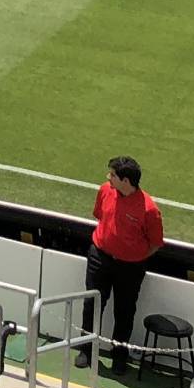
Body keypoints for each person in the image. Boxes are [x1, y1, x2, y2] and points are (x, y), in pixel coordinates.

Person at [80, 156, 164, 370]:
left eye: (113, 175)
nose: (109, 178)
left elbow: (155, 242)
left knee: (125, 311)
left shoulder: (149, 209)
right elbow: (100, 216)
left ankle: (119, 357)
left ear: (126, 181)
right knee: (92, 304)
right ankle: (86, 350)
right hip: (100, 257)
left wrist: (133, 255)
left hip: (130, 267)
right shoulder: (105, 191)